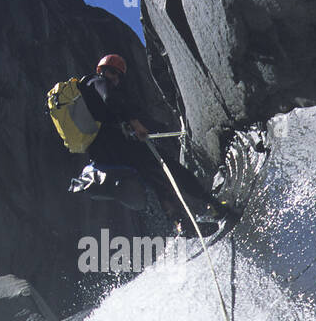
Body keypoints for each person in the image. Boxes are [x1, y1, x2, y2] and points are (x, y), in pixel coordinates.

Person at [75, 54, 221, 227]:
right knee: (170, 167)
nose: (115, 79)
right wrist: (134, 122)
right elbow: (110, 98)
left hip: (104, 152)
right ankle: (213, 205)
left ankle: (179, 222)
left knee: (155, 177)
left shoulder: (86, 93)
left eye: (119, 76)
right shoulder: (96, 81)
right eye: (113, 73)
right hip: (117, 146)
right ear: (102, 71)